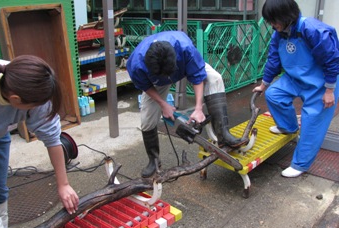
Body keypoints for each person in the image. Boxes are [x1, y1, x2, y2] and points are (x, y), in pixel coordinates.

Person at [0, 55, 79, 228]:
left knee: (1, 189)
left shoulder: (30, 90)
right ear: (15, 101)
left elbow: (52, 139)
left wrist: (63, 184)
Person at [127, 31, 248, 178]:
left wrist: (198, 108)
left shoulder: (185, 48)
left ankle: (223, 136)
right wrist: (163, 104)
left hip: (180, 68)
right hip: (156, 82)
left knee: (215, 78)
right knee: (146, 119)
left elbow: (197, 76)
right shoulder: (136, 64)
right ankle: (154, 160)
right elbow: (145, 85)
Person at [253, 0, 339, 177]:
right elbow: (273, 60)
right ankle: (289, 127)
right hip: (295, 78)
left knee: (312, 122)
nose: (272, 24)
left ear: (286, 16)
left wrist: (330, 91)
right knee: (273, 94)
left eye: (274, 20)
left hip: (321, 82)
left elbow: (332, 60)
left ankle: (300, 164)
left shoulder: (312, 30)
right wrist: (264, 84)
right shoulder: (279, 33)